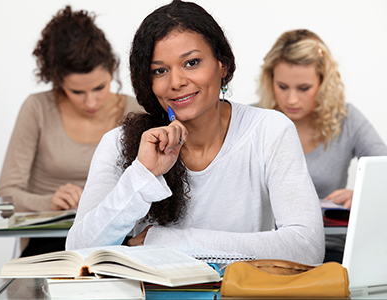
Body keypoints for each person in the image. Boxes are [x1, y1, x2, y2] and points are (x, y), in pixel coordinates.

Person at [66, 0, 324, 265]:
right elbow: (79, 252)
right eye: (160, 70)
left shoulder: (269, 130)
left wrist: (166, 242)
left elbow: (306, 246)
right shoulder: (120, 144)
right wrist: (143, 174)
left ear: (222, 65)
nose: (177, 82)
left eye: (191, 63)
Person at [0, 6, 144, 257]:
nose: (91, 102)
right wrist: (49, 202)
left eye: (99, 87)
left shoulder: (135, 110)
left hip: (118, 239)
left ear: (112, 71)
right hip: (50, 243)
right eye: (77, 92)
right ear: (58, 81)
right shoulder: (38, 108)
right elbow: (5, 197)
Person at [256, 29, 387, 262]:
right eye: (283, 86)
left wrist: (362, 195)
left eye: (303, 88)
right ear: (270, 80)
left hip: (331, 250)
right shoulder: (254, 119)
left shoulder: (346, 119)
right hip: (265, 249)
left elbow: (383, 171)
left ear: (324, 82)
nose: (291, 100)